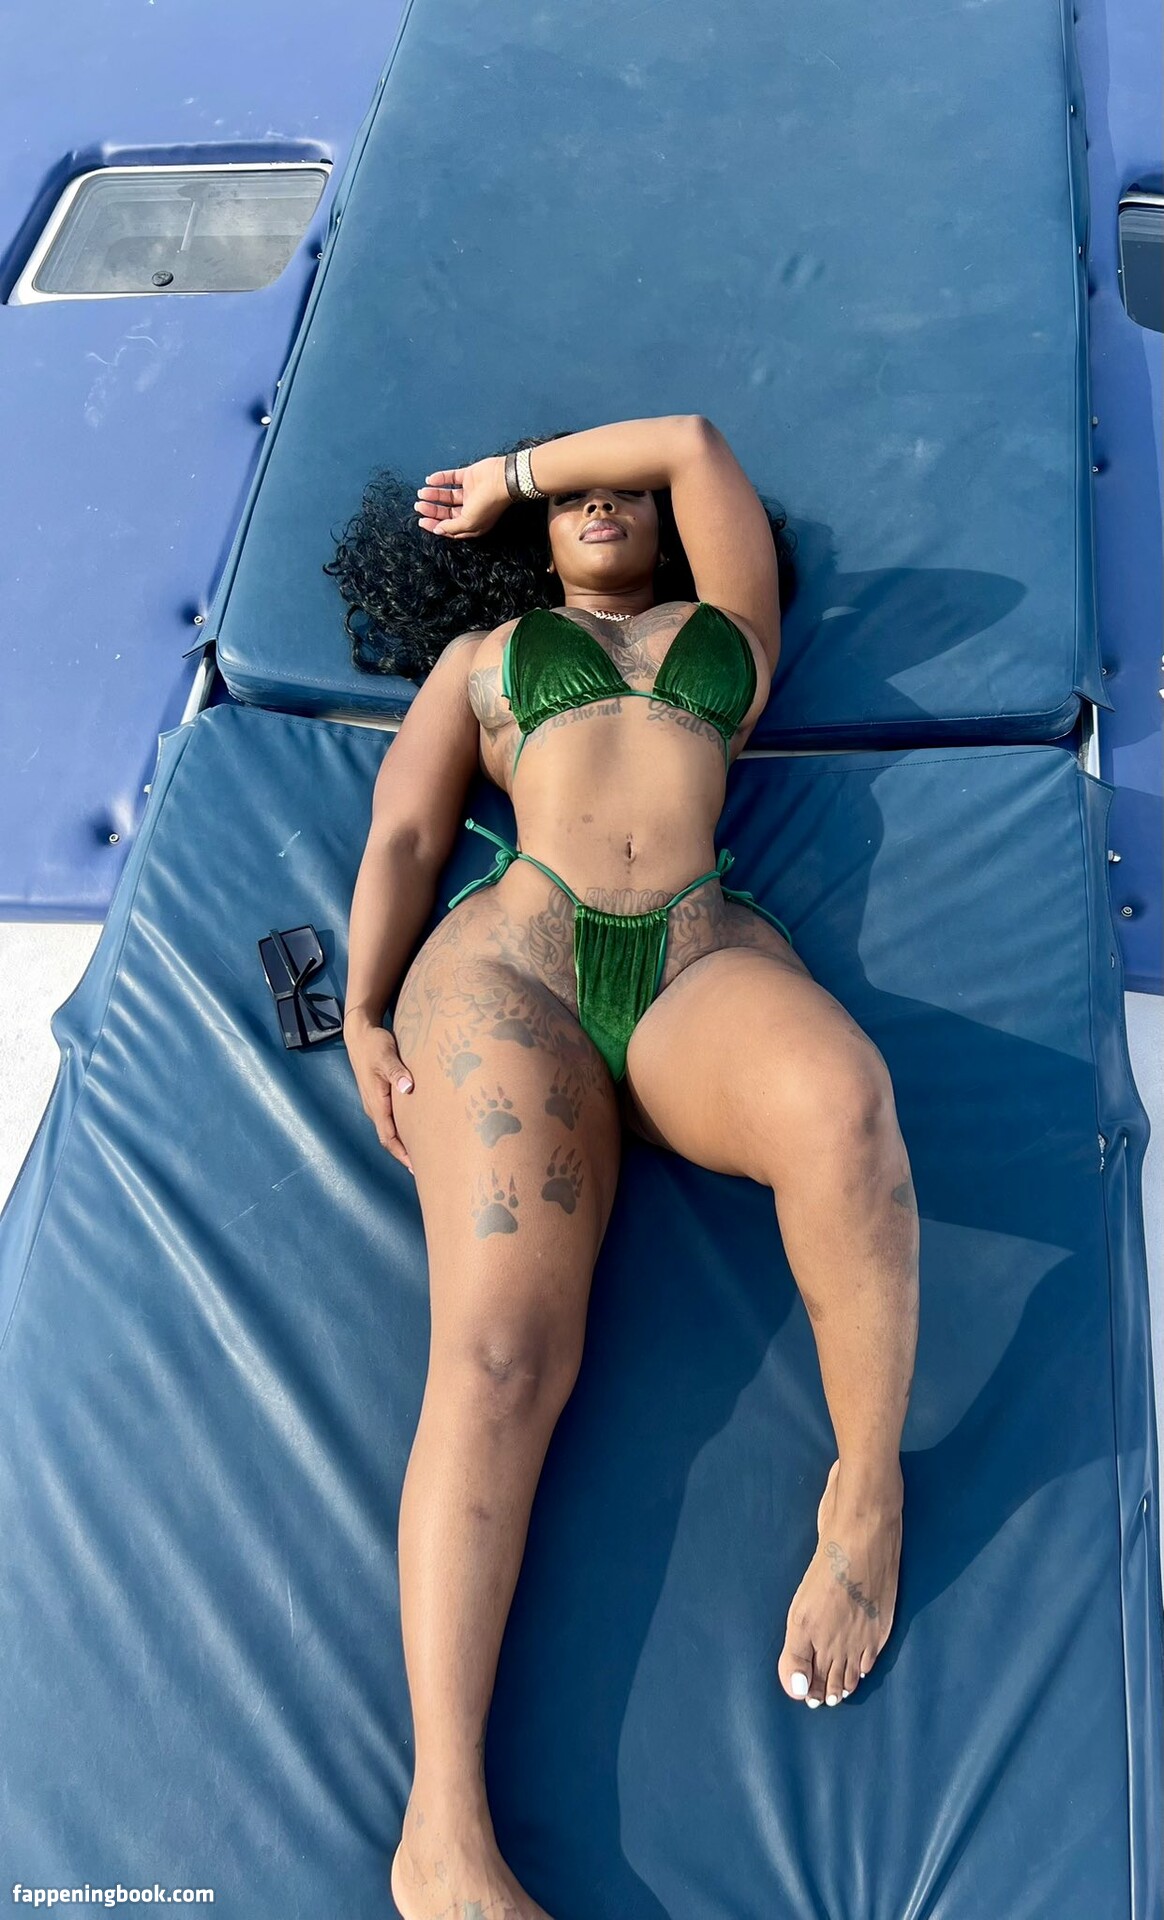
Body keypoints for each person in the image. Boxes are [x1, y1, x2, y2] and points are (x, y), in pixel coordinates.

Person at [338, 415, 919, 1920]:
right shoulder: (484, 660)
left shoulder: (731, 640)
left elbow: (697, 441)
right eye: (573, 500)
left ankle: (866, 1493)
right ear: (533, 553)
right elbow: (405, 837)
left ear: (669, 528)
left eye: (625, 497)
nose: (605, 503)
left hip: (696, 963)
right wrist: (362, 1009)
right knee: (498, 1354)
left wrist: (515, 473)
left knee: (847, 1104)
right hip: (512, 970)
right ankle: (443, 1839)